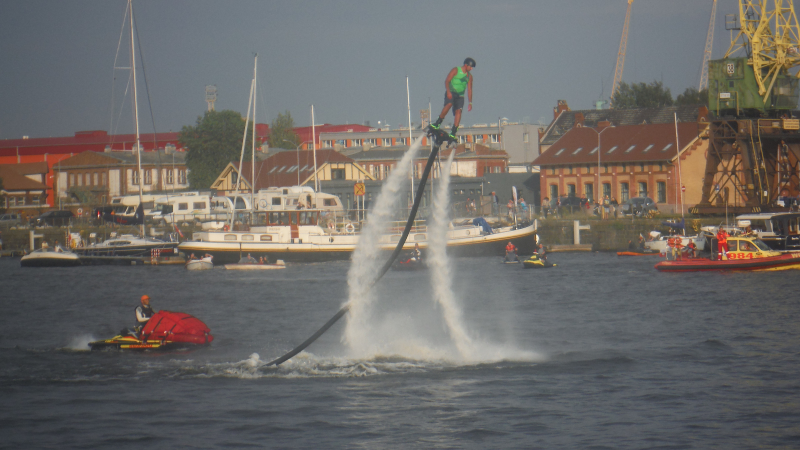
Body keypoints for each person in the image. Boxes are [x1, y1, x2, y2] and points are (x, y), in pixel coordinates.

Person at [429, 58, 476, 140]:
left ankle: (454, 131)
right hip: (451, 92)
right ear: (466, 65)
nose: (471, 69)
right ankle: (438, 122)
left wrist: (470, 102)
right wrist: (448, 91)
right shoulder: (455, 70)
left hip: (460, 96)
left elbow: (469, 89)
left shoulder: (470, 77)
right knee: (449, 104)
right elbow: (447, 81)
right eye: (471, 67)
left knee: (459, 111)